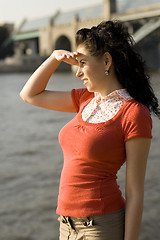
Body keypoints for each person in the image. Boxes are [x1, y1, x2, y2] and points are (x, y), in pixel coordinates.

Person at [20, 20, 160, 240]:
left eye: (82, 62)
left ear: (106, 61)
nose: (77, 73)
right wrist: (54, 57)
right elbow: (30, 95)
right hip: (65, 225)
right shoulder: (84, 99)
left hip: (100, 227)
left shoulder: (134, 113)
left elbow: (135, 192)